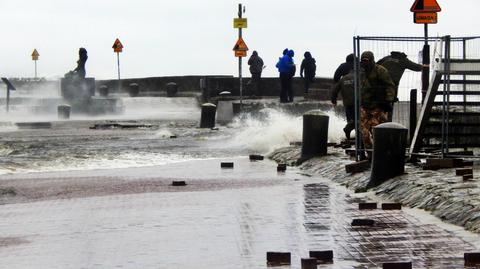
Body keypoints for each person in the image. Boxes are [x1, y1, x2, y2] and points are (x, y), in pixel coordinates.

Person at [359, 51, 396, 159]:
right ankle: (371, 155)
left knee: (378, 132)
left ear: (371, 60)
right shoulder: (361, 72)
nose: (364, 63)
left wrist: (388, 100)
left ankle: (381, 154)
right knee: (364, 133)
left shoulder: (380, 71)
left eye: (366, 60)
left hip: (378, 106)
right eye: (363, 60)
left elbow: (390, 85)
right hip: (365, 106)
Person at [377, 51, 424, 121]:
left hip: (378, 86)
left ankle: (378, 125)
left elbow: (375, 65)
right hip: (391, 87)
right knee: (389, 106)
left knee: (379, 108)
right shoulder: (403, 60)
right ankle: (387, 125)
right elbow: (417, 67)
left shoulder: (386, 58)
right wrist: (425, 66)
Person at [331, 70, 355, 140]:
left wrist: (334, 100)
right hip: (358, 103)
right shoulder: (358, 78)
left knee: (350, 120)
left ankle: (349, 130)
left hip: (347, 104)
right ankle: (349, 130)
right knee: (359, 120)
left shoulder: (343, 79)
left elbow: (335, 90)